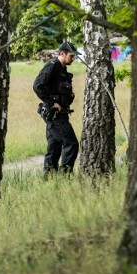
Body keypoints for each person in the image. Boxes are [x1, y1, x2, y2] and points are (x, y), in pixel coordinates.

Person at [33, 41, 80, 177]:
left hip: (59, 114)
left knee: (54, 150)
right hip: (54, 115)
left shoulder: (62, 68)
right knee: (71, 144)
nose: (73, 58)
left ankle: (49, 180)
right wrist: (52, 102)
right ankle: (65, 178)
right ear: (62, 54)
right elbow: (37, 86)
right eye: (71, 56)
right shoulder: (52, 67)